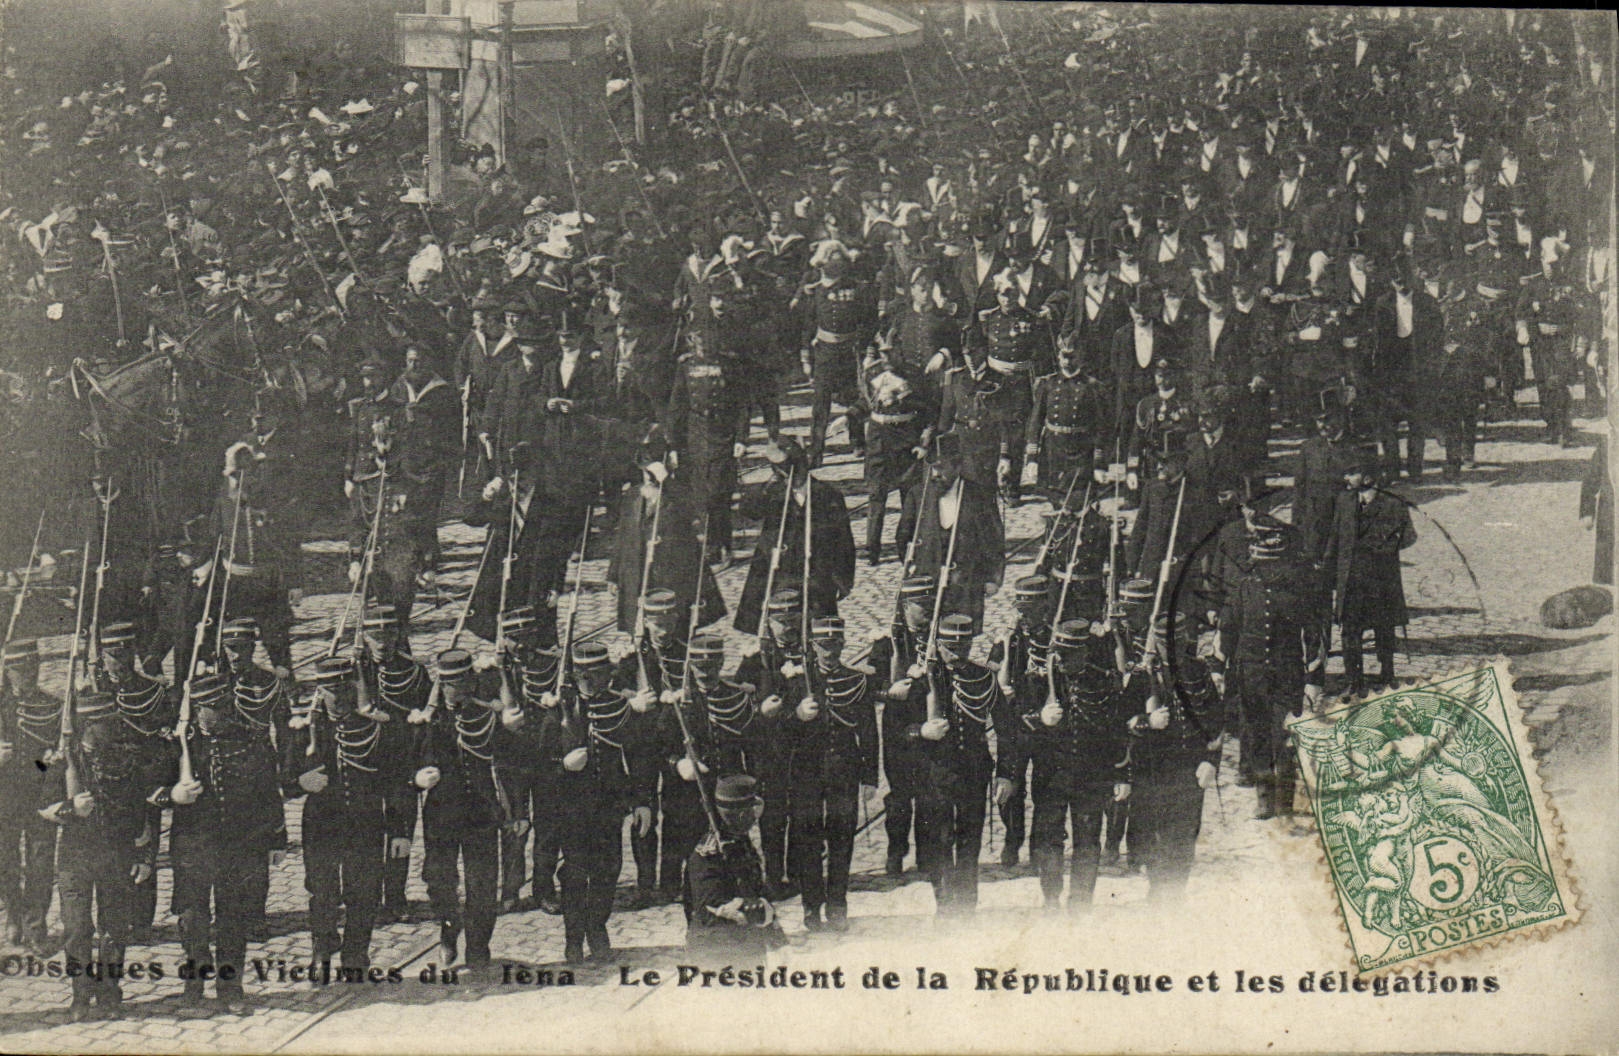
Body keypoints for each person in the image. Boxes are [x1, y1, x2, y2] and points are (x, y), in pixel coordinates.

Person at [45, 688, 173, 1021]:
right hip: (75, 856)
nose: (113, 728)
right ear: (87, 723)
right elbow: (41, 808)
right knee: (76, 928)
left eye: (112, 720)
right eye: (104, 722)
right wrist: (71, 808)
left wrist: (145, 857)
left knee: (115, 928)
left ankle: (110, 992)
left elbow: (145, 813)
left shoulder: (128, 758)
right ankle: (80, 995)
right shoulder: (60, 759)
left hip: (116, 854)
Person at [169, 671, 287, 1013]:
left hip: (239, 845)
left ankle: (230, 987)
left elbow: (269, 791)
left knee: (232, 917)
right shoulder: (181, 743)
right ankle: (193, 986)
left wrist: (276, 838)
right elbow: (151, 786)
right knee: (192, 920)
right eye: (208, 709)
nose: (215, 716)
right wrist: (173, 794)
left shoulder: (252, 740)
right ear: (197, 708)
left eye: (221, 708)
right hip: (193, 847)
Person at [1011, 618, 1131, 911]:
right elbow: (1016, 722)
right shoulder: (1038, 681)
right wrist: (1040, 718)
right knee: (1048, 838)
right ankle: (1051, 897)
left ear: (1085, 653)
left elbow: (1116, 730)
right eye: (1059, 655)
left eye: (1069, 656)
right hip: (1051, 776)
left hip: (1092, 775)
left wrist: (1121, 773)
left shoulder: (1102, 682)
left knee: (1088, 841)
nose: (1062, 661)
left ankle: (1081, 902)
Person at [545, 641, 653, 965]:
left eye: (596, 674)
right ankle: (573, 938)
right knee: (575, 874)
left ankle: (597, 928)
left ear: (608, 675)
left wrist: (642, 801)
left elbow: (638, 757)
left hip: (608, 804)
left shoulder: (621, 709)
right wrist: (563, 764)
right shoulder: (558, 710)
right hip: (571, 807)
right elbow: (538, 762)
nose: (589, 682)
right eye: (583, 676)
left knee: (608, 870)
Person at [291, 656, 388, 979]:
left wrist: (400, 829)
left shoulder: (373, 726)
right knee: (322, 889)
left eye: (345, 688)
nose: (339, 697)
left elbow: (396, 777)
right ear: (320, 691)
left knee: (363, 890)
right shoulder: (305, 729)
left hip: (365, 820)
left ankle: (356, 952)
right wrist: (298, 782)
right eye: (331, 690)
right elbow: (282, 775)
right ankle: (321, 949)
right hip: (322, 823)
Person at [786, 617, 881, 932]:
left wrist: (870, 776)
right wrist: (797, 715)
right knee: (808, 839)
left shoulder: (857, 680)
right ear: (813, 646)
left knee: (842, 838)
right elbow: (777, 729)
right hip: (806, 771)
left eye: (835, 645)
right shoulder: (797, 681)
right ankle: (811, 906)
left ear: (842, 645)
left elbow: (868, 731)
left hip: (844, 769)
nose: (829, 652)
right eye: (823, 646)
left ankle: (838, 904)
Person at [415, 649, 507, 972]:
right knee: (439, 880)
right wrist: (417, 778)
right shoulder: (428, 720)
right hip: (441, 815)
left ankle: (479, 945)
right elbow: (404, 764)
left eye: (462, 682)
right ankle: (449, 929)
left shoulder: (486, 716)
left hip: (480, 811)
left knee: (482, 885)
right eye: (449, 683)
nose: (456, 690)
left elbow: (508, 762)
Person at [733, 438, 856, 635]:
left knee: (819, 632)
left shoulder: (828, 495)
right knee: (778, 630)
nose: (780, 472)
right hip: (780, 574)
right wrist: (766, 487)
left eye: (782, 468)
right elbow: (749, 511)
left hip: (817, 575)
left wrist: (844, 579)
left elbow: (844, 542)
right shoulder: (773, 493)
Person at [1325, 447, 1417, 694]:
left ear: (1367, 477)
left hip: (1381, 581)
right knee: (1349, 633)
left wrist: (1383, 545)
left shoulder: (1392, 503)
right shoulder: (1344, 501)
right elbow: (1335, 538)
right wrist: (1328, 570)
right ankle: (1354, 681)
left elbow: (1408, 537)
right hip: (1351, 581)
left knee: (1384, 630)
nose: (1346, 479)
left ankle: (1387, 675)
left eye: (1351, 474)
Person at [0, 639, 61, 954]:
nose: (28, 676)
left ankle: (36, 925)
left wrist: (51, 757)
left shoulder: (51, 705)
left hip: (39, 793)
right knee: (6, 861)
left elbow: (59, 747)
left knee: (40, 863)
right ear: (7, 672)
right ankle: (13, 913)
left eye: (32, 669)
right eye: (20, 671)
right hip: (4, 796)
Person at [683, 774, 785, 958]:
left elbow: (756, 889)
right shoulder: (708, 855)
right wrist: (762, 909)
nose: (755, 818)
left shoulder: (739, 843)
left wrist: (777, 937)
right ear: (740, 815)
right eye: (750, 811)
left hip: (745, 944)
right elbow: (712, 911)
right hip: (717, 951)